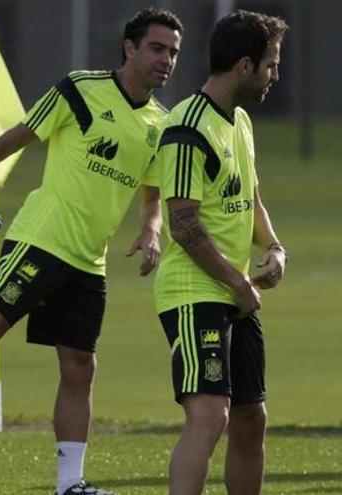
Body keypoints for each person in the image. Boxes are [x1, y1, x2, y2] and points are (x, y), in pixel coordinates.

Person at [0, 8, 183, 495]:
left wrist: (151, 231)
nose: (167, 60)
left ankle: (70, 485)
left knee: (80, 366)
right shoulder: (79, 89)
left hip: (90, 260)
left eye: (174, 52)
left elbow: (151, 192)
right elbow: (18, 137)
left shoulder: (160, 123)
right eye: (157, 48)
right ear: (129, 48)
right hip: (43, 238)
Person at [152, 10, 289, 494]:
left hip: (236, 292)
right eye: (271, 65)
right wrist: (236, 281)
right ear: (245, 65)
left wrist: (273, 247)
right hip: (194, 290)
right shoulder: (186, 127)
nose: (276, 75)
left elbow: (250, 199)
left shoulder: (241, 122)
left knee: (252, 417)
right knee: (211, 414)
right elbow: (184, 226)